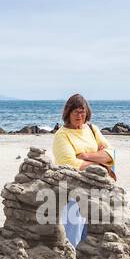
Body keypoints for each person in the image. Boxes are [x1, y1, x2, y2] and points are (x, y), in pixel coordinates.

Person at [52, 94, 114, 247]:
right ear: (68, 113)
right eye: (76, 112)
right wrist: (100, 164)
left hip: (97, 190)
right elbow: (69, 163)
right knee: (73, 234)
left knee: (92, 234)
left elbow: (111, 154)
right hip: (73, 192)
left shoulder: (92, 129)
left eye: (82, 111)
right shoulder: (61, 135)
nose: (80, 116)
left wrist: (86, 156)